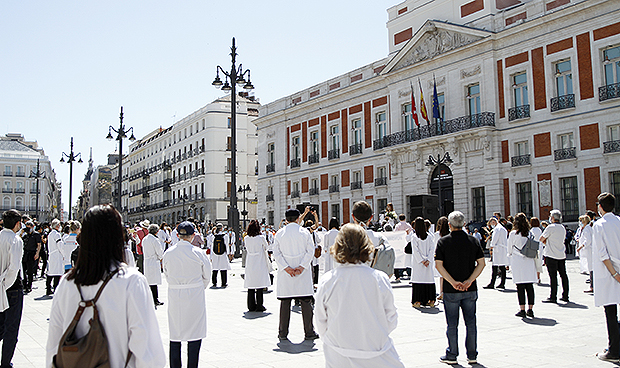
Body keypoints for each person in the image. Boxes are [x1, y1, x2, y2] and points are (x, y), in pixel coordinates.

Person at [46, 205, 166, 368]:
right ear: (116, 236)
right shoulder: (131, 281)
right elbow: (148, 351)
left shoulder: (67, 283)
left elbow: (54, 346)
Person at [315, 223, 405, 368]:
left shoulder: (327, 281)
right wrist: (375, 335)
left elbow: (320, 321)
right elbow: (391, 317)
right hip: (378, 353)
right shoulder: (379, 278)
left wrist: (336, 339)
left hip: (338, 354)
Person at [435, 211, 485, 365]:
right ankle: (472, 354)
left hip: (451, 290)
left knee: (452, 324)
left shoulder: (443, 242)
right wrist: (469, 280)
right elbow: (482, 263)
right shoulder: (473, 241)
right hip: (470, 289)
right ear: (464, 224)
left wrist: (452, 281)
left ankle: (452, 354)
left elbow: (439, 265)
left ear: (449, 225)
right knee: (471, 323)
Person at [163, 221, 212, 368]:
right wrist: (198, 287)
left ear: (177, 235)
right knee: (195, 332)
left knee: (175, 333)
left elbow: (166, 273)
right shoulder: (198, 253)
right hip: (194, 295)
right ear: (193, 236)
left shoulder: (169, 253)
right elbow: (207, 275)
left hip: (175, 294)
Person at [272, 208, 319, 342]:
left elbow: (276, 253)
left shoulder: (280, 233)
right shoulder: (305, 232)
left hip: (286, 273)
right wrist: (302, 266)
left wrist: (286, 268)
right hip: (302, 273)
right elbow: (310, 251)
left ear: (286, 219)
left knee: (285, 303)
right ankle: (309, 332)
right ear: (298, 218)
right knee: (306, 302)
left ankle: (282, 333)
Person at [590, 193, 620, 362]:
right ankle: (615, 345)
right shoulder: (619, 221)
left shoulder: (599, 225)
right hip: (617, 271)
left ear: (600, 207)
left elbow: (602, 253)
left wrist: (614, 274)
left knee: (610, 311)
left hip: (609, 273)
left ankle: (614, 350)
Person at [0, 209, 24, 368]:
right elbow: (14, 268)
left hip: (1, 286)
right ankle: (5, 363)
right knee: (11, 328)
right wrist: (5, 286)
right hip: (11, 288)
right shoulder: (15, 240)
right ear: (17, 224)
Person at [507, 213, 537, 318]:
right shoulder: (529, 233)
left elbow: (509, 249)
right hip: (529, 260)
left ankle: (522, 309)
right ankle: (531, 309)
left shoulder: (513, 234)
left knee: (520, 286)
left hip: (517, 261)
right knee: (529, 286)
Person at [539, 209, 569, 303]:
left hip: (551, 254)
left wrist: (546, 242)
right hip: (561, 254)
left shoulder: (550, 227)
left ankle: (553, 296)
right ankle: (565, 295)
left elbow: (541, 238)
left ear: (552, 218)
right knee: (563, 275)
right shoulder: (562, 227)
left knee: (553, 276)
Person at [409, 217, 436, 308]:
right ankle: (430, 300)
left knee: (418, 281)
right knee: (428, 280)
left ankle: (417, 301)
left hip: (418, 263)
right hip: (428, 262)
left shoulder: (414, 237)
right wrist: (428, 259)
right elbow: (432, 249)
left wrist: (421, 260)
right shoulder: (430, 236)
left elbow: (415, 250)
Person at [243, 220, 270, 312]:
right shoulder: (261, 238)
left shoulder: (246, 238)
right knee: (259, 283)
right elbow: (267, 247)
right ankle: (259, 305)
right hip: (260, 260)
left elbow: (246, 248)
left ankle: (251, 305)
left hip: (250, 260)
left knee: (251, 283)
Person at [143, 224, 164, 307]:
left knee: (149, 281)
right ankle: (155, 299)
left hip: (147, 261)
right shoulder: (155, 240)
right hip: (154, 261)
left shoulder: (145, 239)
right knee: (154, 282)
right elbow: (159, 252)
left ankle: (150, 298)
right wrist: (161, 258)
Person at [484, 217, 508, 290]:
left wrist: (491, 246)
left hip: (498, 249)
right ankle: (502, 283)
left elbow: (494, 239)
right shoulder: (503, 228)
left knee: (495, 267)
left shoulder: (497, 229)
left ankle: (492, 283)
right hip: (502, 249)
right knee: (502, 267)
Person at [22, 222, 42, 293]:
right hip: (25, 253)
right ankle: (24, 284)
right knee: (23, 270)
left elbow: (39, 245)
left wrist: (37, 254)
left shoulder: (36, 234)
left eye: (29, 228)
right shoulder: (26, 235)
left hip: (32, 253)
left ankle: (29, 285)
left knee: (30, 271)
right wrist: (22, 232)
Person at [46, 219, 64, 295]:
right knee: (57, 273)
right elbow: (60, 245)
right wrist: (64, 254)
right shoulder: (57, 234)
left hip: (51, 255)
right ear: (57, 226)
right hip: (57, 255)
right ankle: (55, 288)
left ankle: (48, 288)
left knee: (50, 273)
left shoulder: (50, 234)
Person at [576, 215, 594, 293]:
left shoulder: (587, 229)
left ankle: (592, 286)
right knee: (591, 268)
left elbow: (588, 240)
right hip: (589, 251)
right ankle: (592, 285)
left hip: (589, 250)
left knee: (591, 268)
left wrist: (581, 247)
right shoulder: (588, 228)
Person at [529, 217, 543, 284]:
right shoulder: (540, 230)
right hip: (540, 247)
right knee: (538, 263)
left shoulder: (531, 230)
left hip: (533, 248)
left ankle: (534, 277)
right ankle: (538, 277)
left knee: (533, 263)